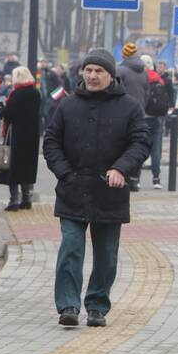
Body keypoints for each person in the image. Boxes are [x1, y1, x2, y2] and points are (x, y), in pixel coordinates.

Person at [43, 49, 149, 328]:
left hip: (109, 193)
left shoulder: (129, 107)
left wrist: (121, 168)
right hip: (72, 190)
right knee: (71, 248)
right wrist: (65, 173)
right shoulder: (68, 105)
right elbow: (51, 142)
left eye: (98, 71)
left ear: (111, 75)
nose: (92, 75)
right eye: (88, 70)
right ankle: (68, 305)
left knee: (106, 256)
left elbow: (141, 142)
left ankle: (97, 306)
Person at [0, 65, 41, 210]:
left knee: (13, 168)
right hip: (31, 136)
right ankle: (26, 199)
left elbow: (9, 114)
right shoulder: (36, 93)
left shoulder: (16, 94)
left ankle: (14, 200)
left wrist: (3, 109)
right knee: (27, 167)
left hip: (16, 135)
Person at [140, 55, 170, 189]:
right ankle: (156, 179)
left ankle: (136, 179)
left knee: (139, 148)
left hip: (143, 117)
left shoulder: (141, 77)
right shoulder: (158, 78)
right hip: (156, 118)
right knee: (156, 151)